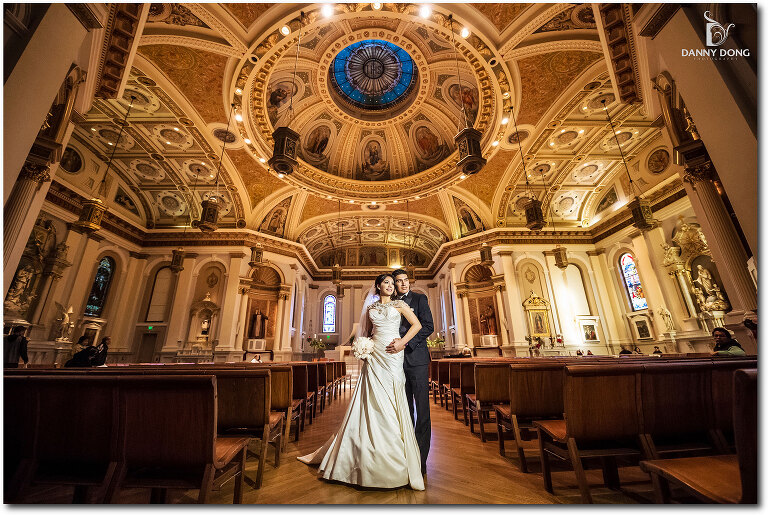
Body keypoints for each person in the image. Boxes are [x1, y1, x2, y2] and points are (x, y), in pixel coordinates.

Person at [298, 273, 425, 490]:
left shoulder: (400, 305)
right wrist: (363, 349)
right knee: (372, 400)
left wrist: (402, 343)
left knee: (393, 399)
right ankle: (363, 455)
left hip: (394, 356)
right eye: (386, 282)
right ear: (378, 286)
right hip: (375, 356)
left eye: (392, 283)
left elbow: (417, 326)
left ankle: (396, 459)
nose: (390, 285)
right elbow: (364, 333)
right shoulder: (370, 309)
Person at [388, 268, 434, 477]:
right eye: (399, 281)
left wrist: (407, 343)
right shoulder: (389, 302)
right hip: (395, 363)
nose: (404, 284)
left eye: (406, 280)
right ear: (394, 284)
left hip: (417, 360)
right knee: (403, 410)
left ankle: (421, 461)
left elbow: (428, 326)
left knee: (422, 411)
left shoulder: (419, 299)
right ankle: (404, 457)